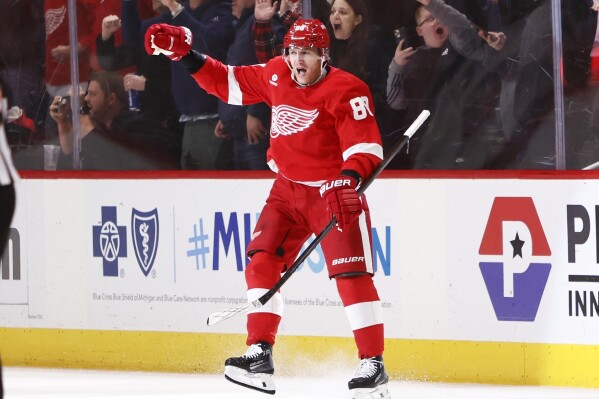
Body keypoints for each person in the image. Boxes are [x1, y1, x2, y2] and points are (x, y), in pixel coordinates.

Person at [145, 18, 390, 398]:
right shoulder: (277, 73)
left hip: (330, 192)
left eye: (306, 52)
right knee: (261, 258)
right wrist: (185, 55)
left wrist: (349, 178)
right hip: (286, 190)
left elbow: (365, 147)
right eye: (292, 51)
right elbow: (229, 82)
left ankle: (372, 363)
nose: (296, 60)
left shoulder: (348, 89)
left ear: (324, 56)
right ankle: (259, 352)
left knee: (351, 273)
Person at [386, 0, 506, 169]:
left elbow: (462, 27)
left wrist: (432, 4)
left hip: (458, 148)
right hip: (422, 150)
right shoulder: (412, 60)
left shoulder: (461, 48)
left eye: (440, 17)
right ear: (419, 30)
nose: (436, 21)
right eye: (429, 19)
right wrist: (396, 66)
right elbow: (396, 102)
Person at [49, 71, 176, 169]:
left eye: (92, 94)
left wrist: (79, 111)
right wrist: (63, 121)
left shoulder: (132, 124)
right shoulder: (103, 125)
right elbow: (71, 150)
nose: (86, 99)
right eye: (86, 94)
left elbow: (102, 151)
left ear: (111, 99)